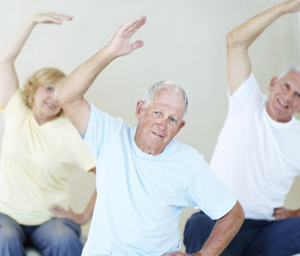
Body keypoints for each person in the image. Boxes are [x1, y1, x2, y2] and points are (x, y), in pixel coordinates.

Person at [56, 15, 244, 256]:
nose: (162, 124)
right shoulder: (110, 135)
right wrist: (110, 52)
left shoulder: (188, 162)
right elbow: (66, 96)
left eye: (172, 119)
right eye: (157, 112)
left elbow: (233, 213)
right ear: (139, 110)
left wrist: (202, 255)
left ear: (180, 127)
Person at [183, 1, 300, 255]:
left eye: (299, 96)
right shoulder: (246, 101)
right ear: (272, 83)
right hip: (219, 220)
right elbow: (235, 41)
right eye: (286, 86)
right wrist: (284, 9)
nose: (289, 97)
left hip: (264, 232)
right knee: (199, 225)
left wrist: (295, 212)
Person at [0, 13, 97, 256]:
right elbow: (4, 61)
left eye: (61, 92)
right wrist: (31, 22)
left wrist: (84, 215)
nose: (55, 97)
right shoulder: (15, 111)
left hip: (49, 219)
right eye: (49, 88)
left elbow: (108, 173)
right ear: (34, 89)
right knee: (4, 242)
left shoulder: (71, 133)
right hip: (7, 215)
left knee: (65, 243)